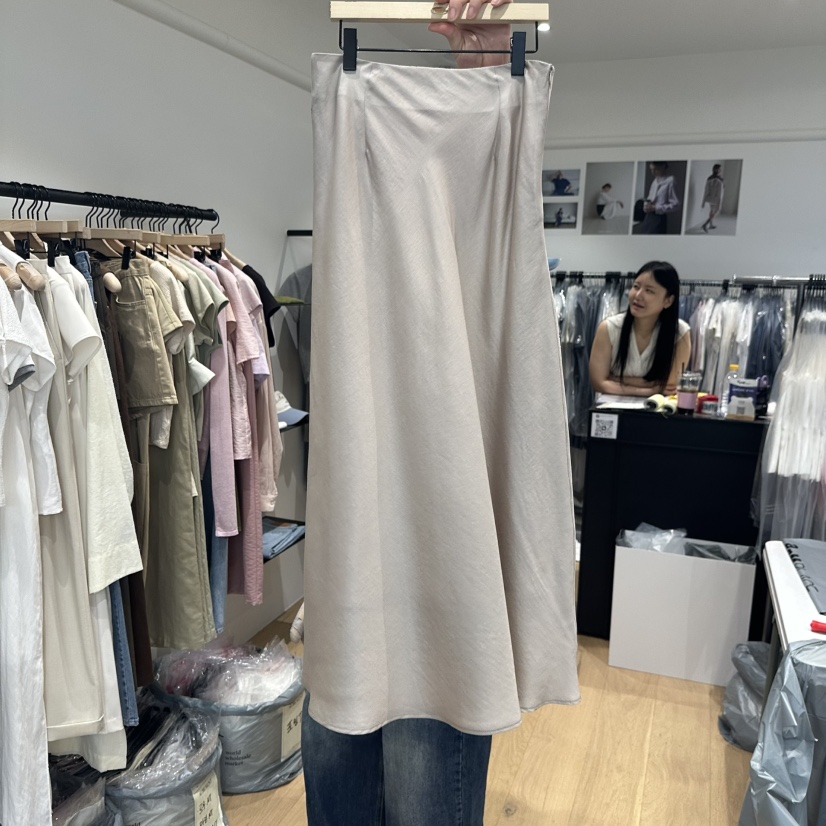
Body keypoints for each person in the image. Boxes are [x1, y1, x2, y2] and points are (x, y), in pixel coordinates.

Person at [304, 3, 544, 825]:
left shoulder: (490, 155)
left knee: (419, 750)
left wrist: (487, 83)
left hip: (444, 564)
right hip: (354, 563)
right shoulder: (347, 125)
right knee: (339, 748)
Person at [590, 261, 691, 397]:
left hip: (657, 408)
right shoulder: (609, 328)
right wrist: (650, 390)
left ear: (668, 301)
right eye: (636, 287)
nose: (638, 295)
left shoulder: (681, 333)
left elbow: (669, 384)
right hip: (611, 408)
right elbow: (598, 382)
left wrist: (615, 378)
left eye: (649, 291)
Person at [638, 162, 680, 234]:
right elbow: (651, 198)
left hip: (659, 219)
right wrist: (646, 205)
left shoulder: (671, 181)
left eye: (656, 169)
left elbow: (676, 205)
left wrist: (655, 208)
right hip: (648, 217)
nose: (653, 172)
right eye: (651, 169)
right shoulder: (655, 181)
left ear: (663, 166)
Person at [701, 164, 725, 233]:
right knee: (716, 211)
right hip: (716, 198)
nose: (720, 170)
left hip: (711, 198)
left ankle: (711, 224)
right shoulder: (719, 179)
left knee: (712, 211)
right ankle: (705, 224)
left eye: (720, 169)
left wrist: (705, 199)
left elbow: (706, 189)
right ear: (715, 169)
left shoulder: (710, 178)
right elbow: (720, 191)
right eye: (719, 169)